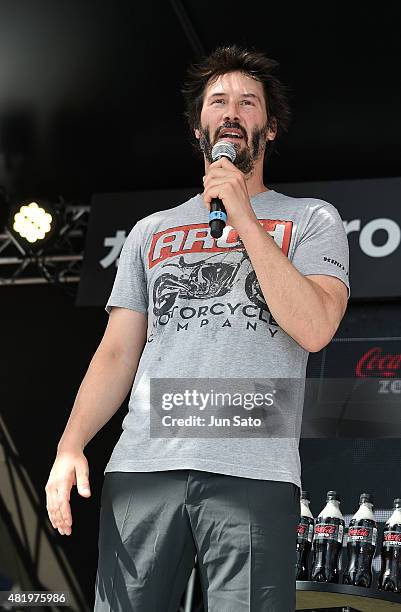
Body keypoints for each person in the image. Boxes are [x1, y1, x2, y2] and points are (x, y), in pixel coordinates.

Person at [45, 46, 350, 611]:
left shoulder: (312, 219)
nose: (232, 111)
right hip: (143, 465)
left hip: (252, 469)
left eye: (248, 102)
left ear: (270, 127)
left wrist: (244, 215)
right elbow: (116, 352)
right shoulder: (149, 231)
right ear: (197, 126)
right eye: (218, 101)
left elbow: (314, 327)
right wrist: (70, 445)